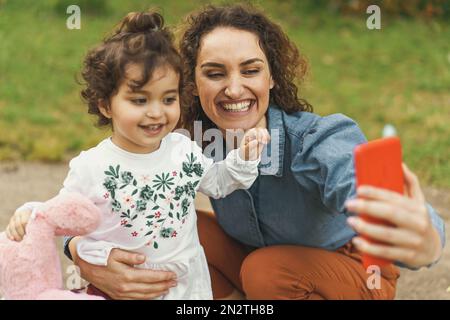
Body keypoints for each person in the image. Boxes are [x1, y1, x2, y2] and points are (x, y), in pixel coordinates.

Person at [22, 4, 444, 300]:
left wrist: (422, 239)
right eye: (214, 73)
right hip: (260, 262)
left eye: (251, 70)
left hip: (349, 272)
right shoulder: (188, 136)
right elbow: (104, 193)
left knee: (267, 272)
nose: (235, 89)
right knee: (187, 230)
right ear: (192, 84)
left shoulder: (315, 139)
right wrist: (81, 253)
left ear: (272, 77)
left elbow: (362, 186)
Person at [5, 10, 269, 300]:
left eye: (168, 99)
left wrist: (244, 155)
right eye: (139, 100)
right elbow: (64, 214)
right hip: (122, 290)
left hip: (187, 289)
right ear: (105, 104)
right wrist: (32, 211)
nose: (156, 112)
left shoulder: (182, 150)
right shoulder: (92, 166)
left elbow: (219, 182)